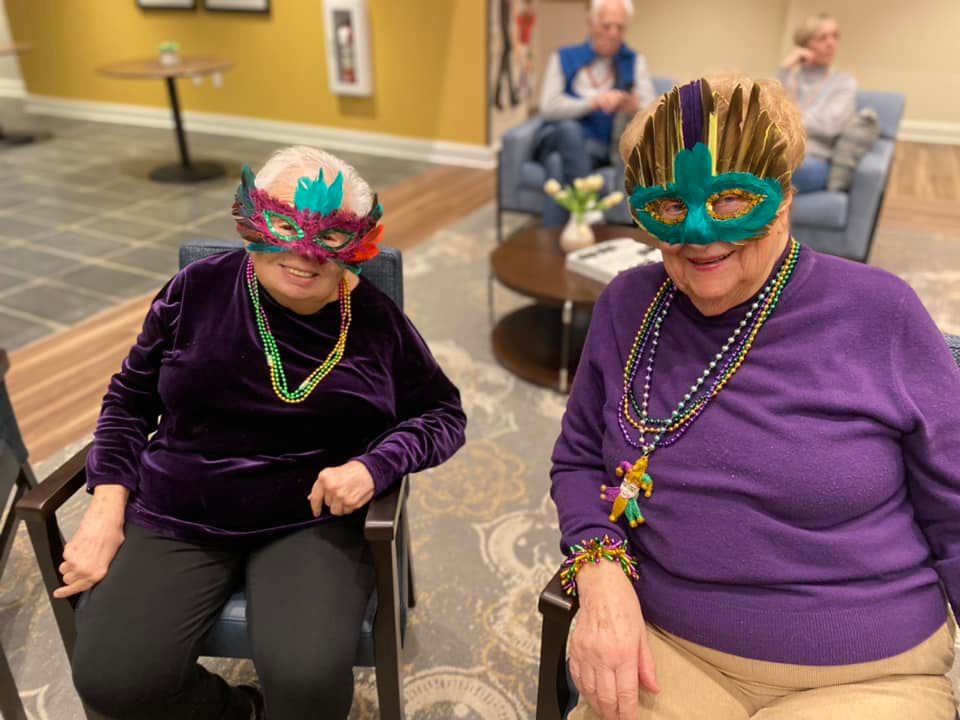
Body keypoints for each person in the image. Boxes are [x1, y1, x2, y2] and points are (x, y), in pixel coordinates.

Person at [551, 75, 960, 720]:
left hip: (864, 672)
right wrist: (601, 575)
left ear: (787, 196)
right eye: (667, 206)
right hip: (669, 653)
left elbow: (956, 503)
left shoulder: (881, 312)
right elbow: (577, 460)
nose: (697, 231)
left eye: (734, 198)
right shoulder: (626, 306)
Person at [57, 146, 467, 720]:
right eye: (283, 227)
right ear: (251, 220)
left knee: (306, 683)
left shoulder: (374, 320)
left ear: (358, 244)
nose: (303, 256)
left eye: (327, 240)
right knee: (110, 679)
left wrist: (373, 466)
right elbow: (128, 401)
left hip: (309, 514)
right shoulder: (194, 290)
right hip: (182, 501)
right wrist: (105, 509)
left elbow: (443, 414)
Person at [536, 0, 655, 226]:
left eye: (620, 27)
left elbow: (649, 108)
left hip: (599, 147)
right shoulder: (562, 57)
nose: (613, 34)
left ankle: (559, 240)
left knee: (556, 164)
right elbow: (548, 107)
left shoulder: (634, 61)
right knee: (569, 130)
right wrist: (593, 102)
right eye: (606, 26)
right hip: (556, 137)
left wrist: (631, 105)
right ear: (591, 24)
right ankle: (589, 207)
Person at [779, 12, 857, 192]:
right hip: (775, 152)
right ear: (805, 44)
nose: (831, 43)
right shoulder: (790, 77)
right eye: (822, 38)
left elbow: (830, 125)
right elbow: (765, 109)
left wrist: (786, 118)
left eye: (835, 36)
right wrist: (784, 69)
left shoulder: (844, 82)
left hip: (812, 160)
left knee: (769, 170)